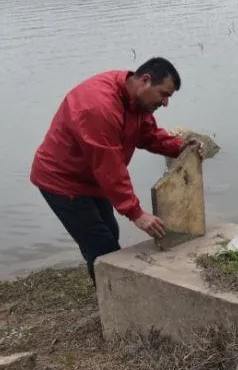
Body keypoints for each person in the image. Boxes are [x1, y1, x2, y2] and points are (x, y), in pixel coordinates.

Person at [29, 57, 203, 283]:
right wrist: (137, 213)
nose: (165, 102)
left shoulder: (136, 101)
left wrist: (181, 147)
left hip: (92, 180)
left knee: (110, 234)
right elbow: (109, 166)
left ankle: (104, 290)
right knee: (103, 247)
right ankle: (111, 306)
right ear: (146, 80)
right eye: (164, 94)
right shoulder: (99, 106)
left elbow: (148, 135)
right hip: (62, 181)